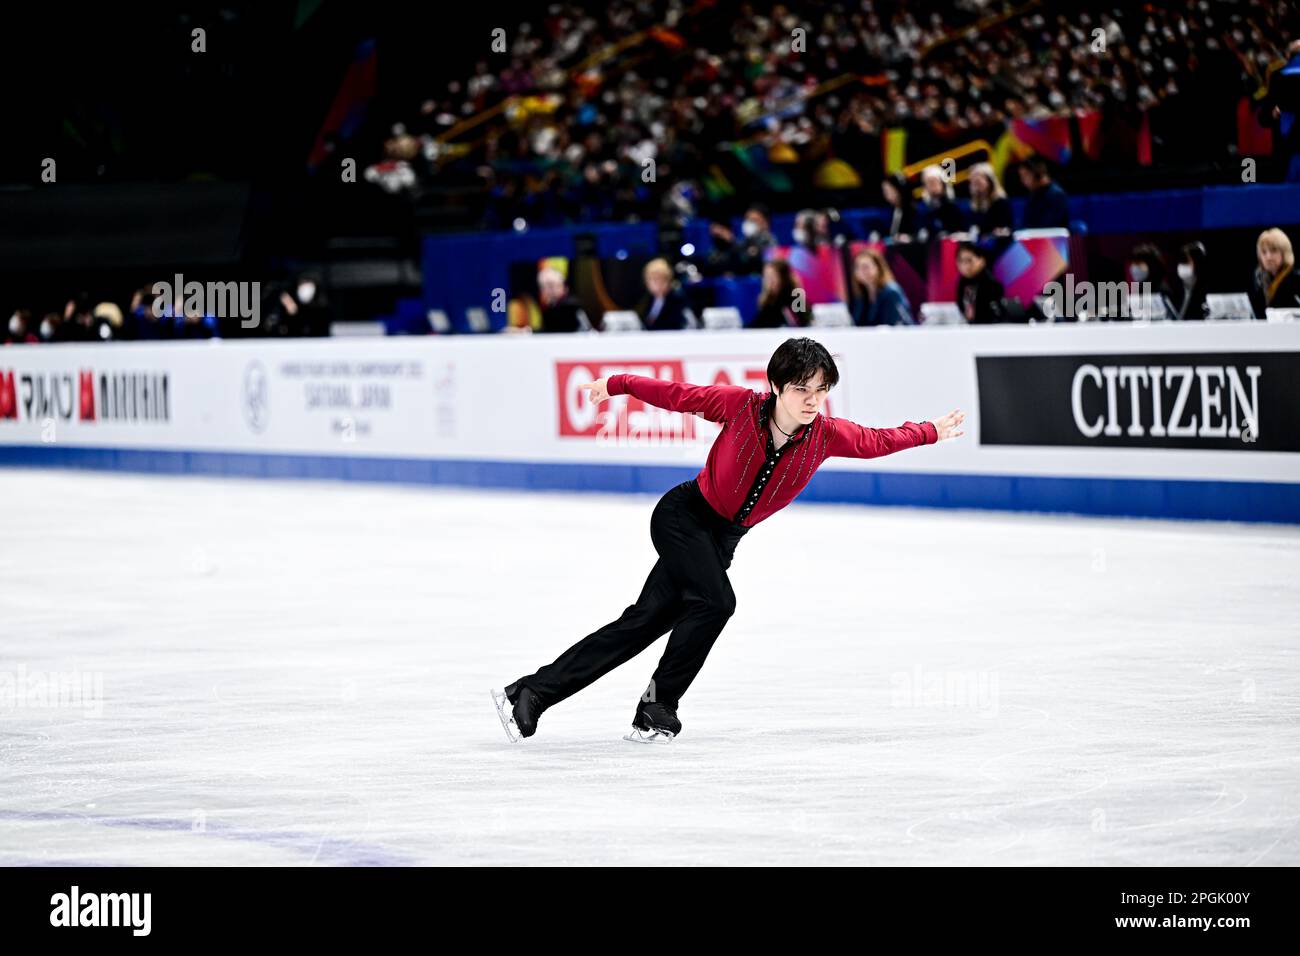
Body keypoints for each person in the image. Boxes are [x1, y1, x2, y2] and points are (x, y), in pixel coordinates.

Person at [493, 337, 965, 741]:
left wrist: (929, 432)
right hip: (682, 517)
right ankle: (659, 706)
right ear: (777, 386)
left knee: (642, 623)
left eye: (821, 390)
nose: (812, 400)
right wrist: (617, 384)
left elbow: (877, 440)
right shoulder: (740, 406)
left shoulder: (825, 436)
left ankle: (533, 692)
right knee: (717, 602)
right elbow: (677, 394)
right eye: (802, 389)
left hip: (721, 542)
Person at [849, 248, 914, 326]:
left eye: (865, 267)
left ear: (878, 268)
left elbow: (894, 324)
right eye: (857, 267)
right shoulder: (861, 296)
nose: (861, 271)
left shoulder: (891, 292)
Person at [1249, 227, 1300, 318]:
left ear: (1284, 253)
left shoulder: (1296, 279)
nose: (1268, 257)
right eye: (1264, 252)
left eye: (1273, 251)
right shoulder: (1260, 281)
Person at [636, 258, 699, 331]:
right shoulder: (649, 299)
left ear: (668, 280)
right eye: (651, 279)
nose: (656, 283)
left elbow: (677, 325)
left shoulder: (677, 300)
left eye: (659, 279)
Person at [955, 242, 1006, 324]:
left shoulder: (991, 285)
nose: (965, 265)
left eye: (969, 260)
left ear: (981, 260)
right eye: (960, 261)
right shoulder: (962, 282)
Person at [1017, 157, 1070, 230]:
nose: (1022, 181)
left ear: (1037, 173)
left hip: (1053, 240)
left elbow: (1048, 228)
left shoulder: (1057, 196)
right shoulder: (1032, 196)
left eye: (1025, 175)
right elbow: (1025, 225)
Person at [537, 267, 594, 333]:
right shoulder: (551, 308)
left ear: (564, 286)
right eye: (543, 287)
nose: (547, 290)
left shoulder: (569, 307)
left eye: (550, 285)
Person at [751, 260, 805, 328]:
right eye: (766, 276)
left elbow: (801, 323)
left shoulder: (793, 297)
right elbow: (759, 322)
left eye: (772, 276)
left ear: (782, 277)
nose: (768, 280)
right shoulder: (769, 298)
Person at [917, 164, 967, 237]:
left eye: (935, 181)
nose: (933, 185)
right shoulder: (921, 209)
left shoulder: (955, 207)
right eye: (929, 182)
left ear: (943, 183)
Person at [967, 162, 1013, 237]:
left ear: (990, 181)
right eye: (974, 183)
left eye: (979, 182)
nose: (976, 187)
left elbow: (1002, 229)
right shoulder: (976, 204)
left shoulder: (1000, 202)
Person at [1167, 242, 1209, 321]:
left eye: (1186, 261)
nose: (1182, 265)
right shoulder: (1176, 289)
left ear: (1197, 263)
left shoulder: (1206, 291)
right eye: (1181, 261)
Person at [880, 173, 918, 242]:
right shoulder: (892, 211)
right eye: (884, 192)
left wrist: (910, 238)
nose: (885, 195)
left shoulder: (915, 210)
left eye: (887, 191)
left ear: (898, 190)